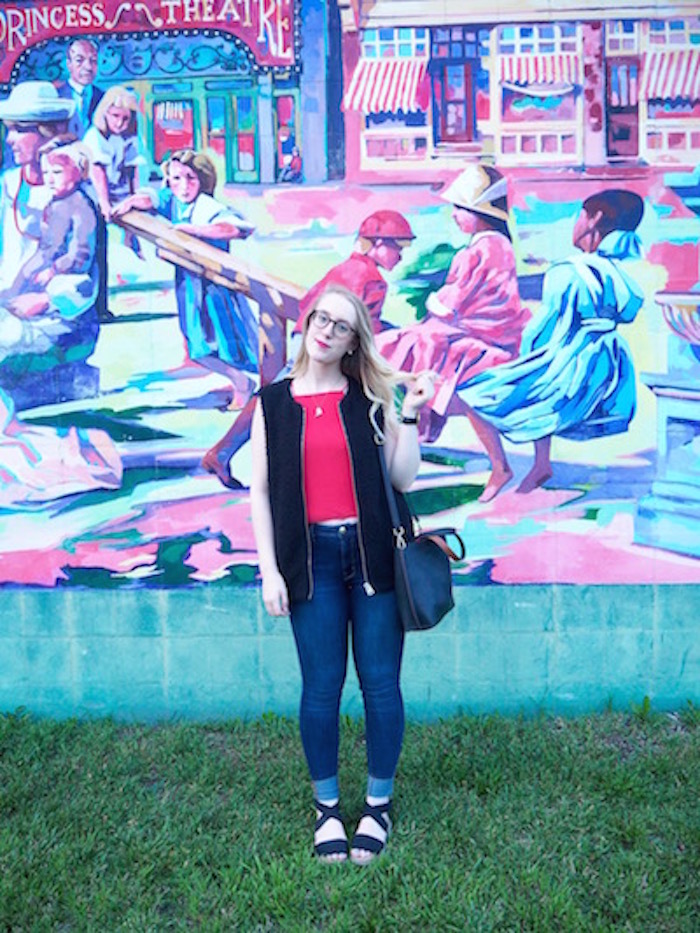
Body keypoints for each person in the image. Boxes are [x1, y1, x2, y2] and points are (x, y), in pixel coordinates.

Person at [250, 284, 435, 865]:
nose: (328, 331)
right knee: (321, 687)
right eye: (321, 319)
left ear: (356, 341)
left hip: (373, 555)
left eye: (343, 326)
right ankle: (327, 810)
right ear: (306, 323)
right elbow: (257, 490)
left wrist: (409, 414)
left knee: (380, 683)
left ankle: (377, 806)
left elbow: (401, 479)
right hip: (310, 561)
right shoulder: (273, 403)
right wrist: (269, 571)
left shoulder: (369, 398)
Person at [201, 209, 416, 488]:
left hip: (308, 338)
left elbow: (308, 303)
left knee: (276, 399)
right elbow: (364, 326)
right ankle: (224, 454)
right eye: (396, 247)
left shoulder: (343, 268)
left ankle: (223, 453)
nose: (400, 255)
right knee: (297, 404)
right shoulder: (373, 279)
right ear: (376, 244)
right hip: (326, 351)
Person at [460, 189, 645, 495]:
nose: (576, 222)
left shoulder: (568, 271)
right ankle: (541, 465)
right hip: (610, 360)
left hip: (572, 359)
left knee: (474, 395)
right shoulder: (617, 273)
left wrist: (524, 357)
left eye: (579, 215)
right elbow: (628, 310)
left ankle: (505, 468)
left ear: (594, 219)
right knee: (539, 393)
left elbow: (542, 327)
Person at [376, 164, 531, 501]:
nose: (455, 215)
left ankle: (412, 436)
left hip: (479, 336)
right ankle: (415, 434)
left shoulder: (475, 251)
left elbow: (450, 302)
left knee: (402, 347)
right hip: (496, 332)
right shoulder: (501, 246)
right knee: (413, 347)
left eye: (461, 209)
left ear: (480, 213)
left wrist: (431, 299)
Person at [113, 149, 257, 406]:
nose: (183, 186)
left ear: (202, 180)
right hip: (189, 284)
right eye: (176, 178)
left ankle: (244, 386)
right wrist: (134, 201)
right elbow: (153, 198)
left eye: (190, 178)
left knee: (224, 339)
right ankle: (241, 382)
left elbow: (236, 228)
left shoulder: (207, 206)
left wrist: (195, 230)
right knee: (197, 343)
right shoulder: (173, 199)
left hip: (214, 286)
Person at [54, 38, 104, 139]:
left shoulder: (104, 98)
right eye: (79, 60)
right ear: (69, 64)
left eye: (93, 60)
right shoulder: (56, 97)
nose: (88, 67)